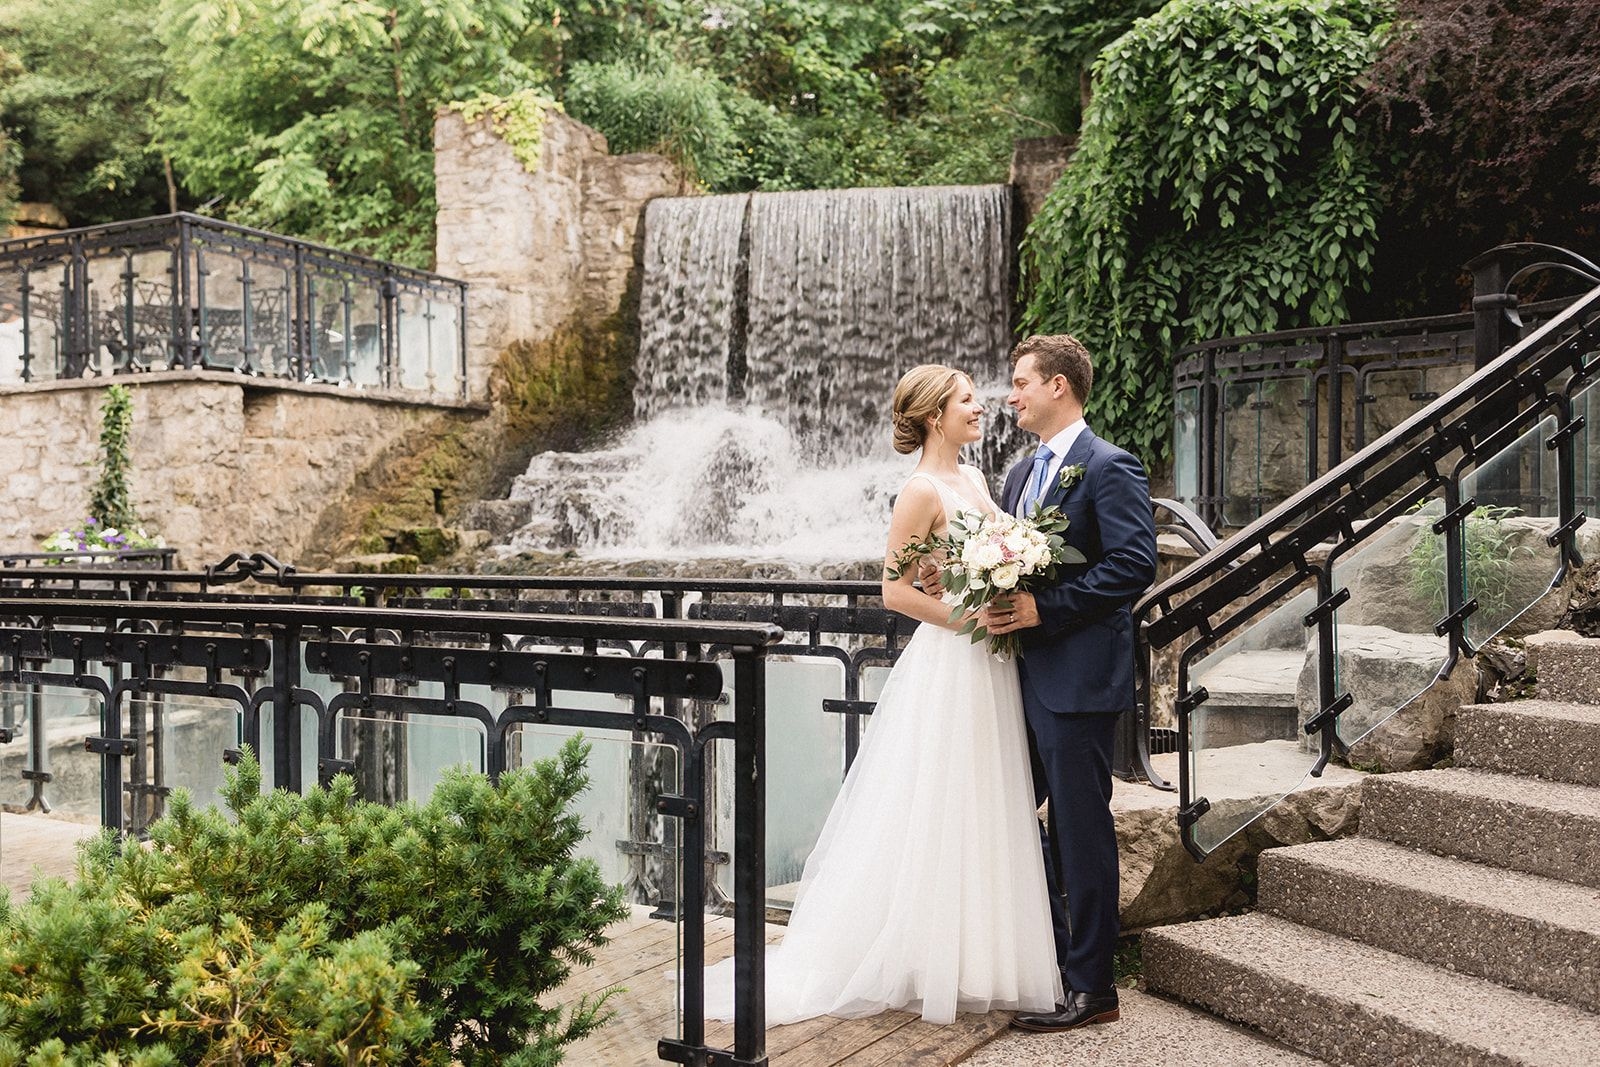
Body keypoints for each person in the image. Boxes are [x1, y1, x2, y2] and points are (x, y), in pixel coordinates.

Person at [700, 364, 1063, 1025]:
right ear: (933, 416)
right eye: (965, 401)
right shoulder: (919, 492)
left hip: (993, 663)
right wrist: (970, 616)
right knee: (939, 802)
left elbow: (997, 549)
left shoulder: (977, 479)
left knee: (986, 799)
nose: (979, 408)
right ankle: (922, 958)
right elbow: (893, 591)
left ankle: (978, 958)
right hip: (953, 659)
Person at [980, 334, 1158, 1032]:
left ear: (1059, 386)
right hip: (1017, 678)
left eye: (1021, 381)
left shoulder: (1109, 465)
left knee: (1081, 832)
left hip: (1078, 682)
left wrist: (1043, 608)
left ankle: (1092, 987)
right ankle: (1045, 961)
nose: (1011, 394)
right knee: (1011, 822)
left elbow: (1133, 564)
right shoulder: (1021, 476)